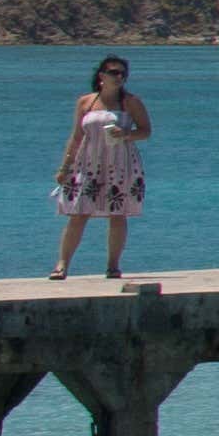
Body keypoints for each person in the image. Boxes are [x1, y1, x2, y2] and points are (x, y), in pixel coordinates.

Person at [46, 55, 150, 277]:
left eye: (123, 74)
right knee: (78, 212)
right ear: (102, 76)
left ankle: (113, 266)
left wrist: (125, 134)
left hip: (120, 164)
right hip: (88, 163)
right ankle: (62, 265)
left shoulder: (130, 102)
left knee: (117, 214)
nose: (119, 77)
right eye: (114, 72)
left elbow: (145, 131)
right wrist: (65, 167)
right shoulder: (86, 102)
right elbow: (76, 136)